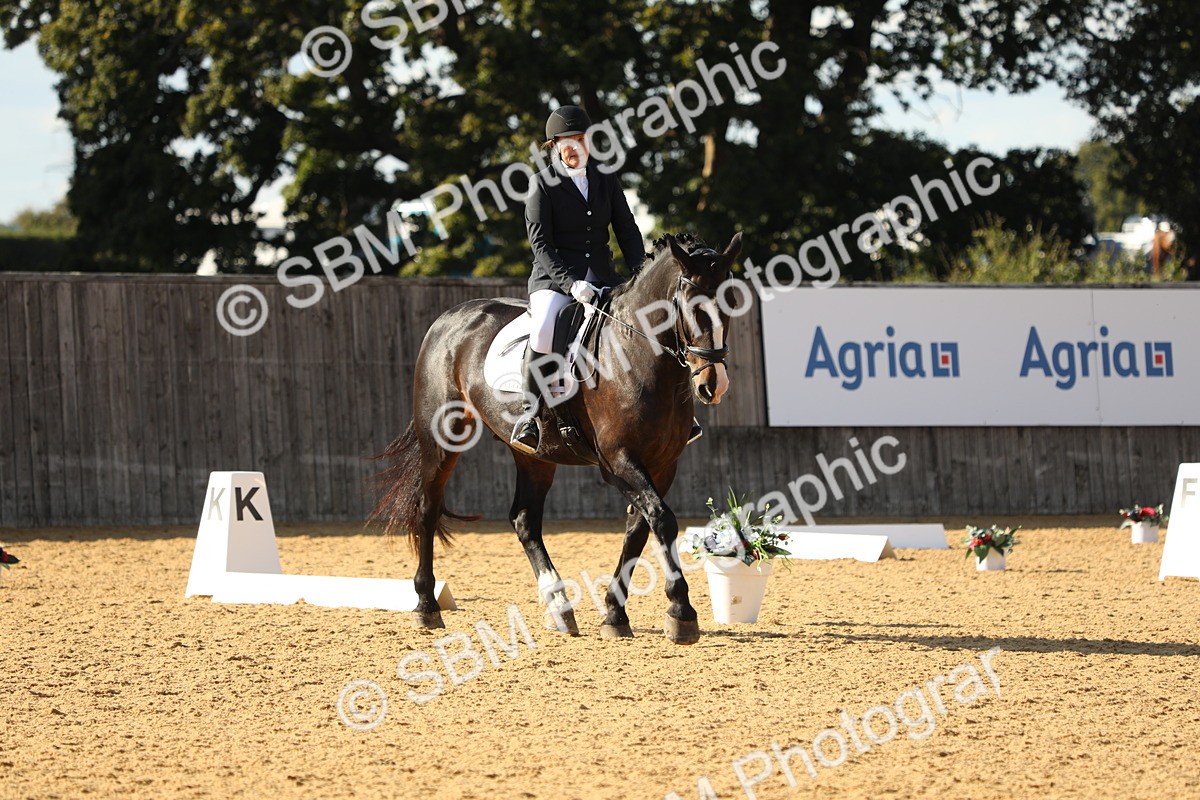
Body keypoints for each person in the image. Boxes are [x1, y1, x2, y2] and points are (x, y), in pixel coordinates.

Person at [510, 104, 647, 453]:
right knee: (543, 327)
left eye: (578, 139)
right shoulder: (542, 184)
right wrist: (570, 283)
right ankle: (531, 414)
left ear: (589, 141)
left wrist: (641, 274)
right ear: (554, 146)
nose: (572, 147)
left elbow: (627, 230)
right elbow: (540, 243)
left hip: (603, 275)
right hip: (554, 280)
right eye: (564, 141)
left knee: (644, 320)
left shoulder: (605, 179)